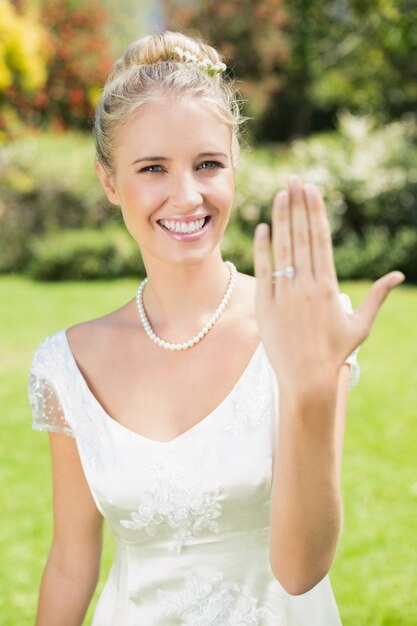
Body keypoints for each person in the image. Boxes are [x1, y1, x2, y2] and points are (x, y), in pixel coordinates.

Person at [28, 30, 404, 626]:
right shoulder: (68, 365)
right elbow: (73, 564)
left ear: (234, 167)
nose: (186, 196)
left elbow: (302, 569)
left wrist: (310, 391)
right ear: (108, 181)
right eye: (153, 168)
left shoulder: (302, 327)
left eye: (208, 164)